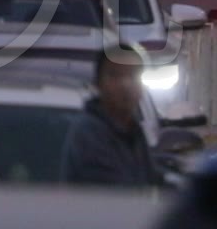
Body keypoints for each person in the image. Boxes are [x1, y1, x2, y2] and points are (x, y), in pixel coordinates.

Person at [62, 44, 163, 187]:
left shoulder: (132, 130)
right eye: (115, 76)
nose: (125, 84)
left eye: (133, 75)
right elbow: (117, 193)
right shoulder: (89, 133)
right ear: (98, 84)